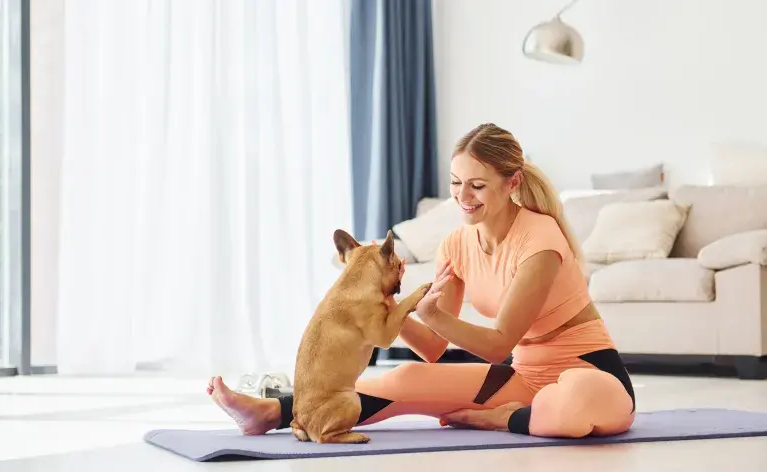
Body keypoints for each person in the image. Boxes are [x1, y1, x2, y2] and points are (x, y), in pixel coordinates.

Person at [207, 123, 635, 438]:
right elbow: (432, 348)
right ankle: (272, 412)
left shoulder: (540, 240)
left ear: (512, 183)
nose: (463, 198)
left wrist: (427, 312)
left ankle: (503, 418)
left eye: (477, 186)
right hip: (524, 381)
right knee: (405, 379)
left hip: (590, 373)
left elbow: (499, 343)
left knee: (572, 402)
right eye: (455, 184)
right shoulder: (456, 245)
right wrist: (382, 307)